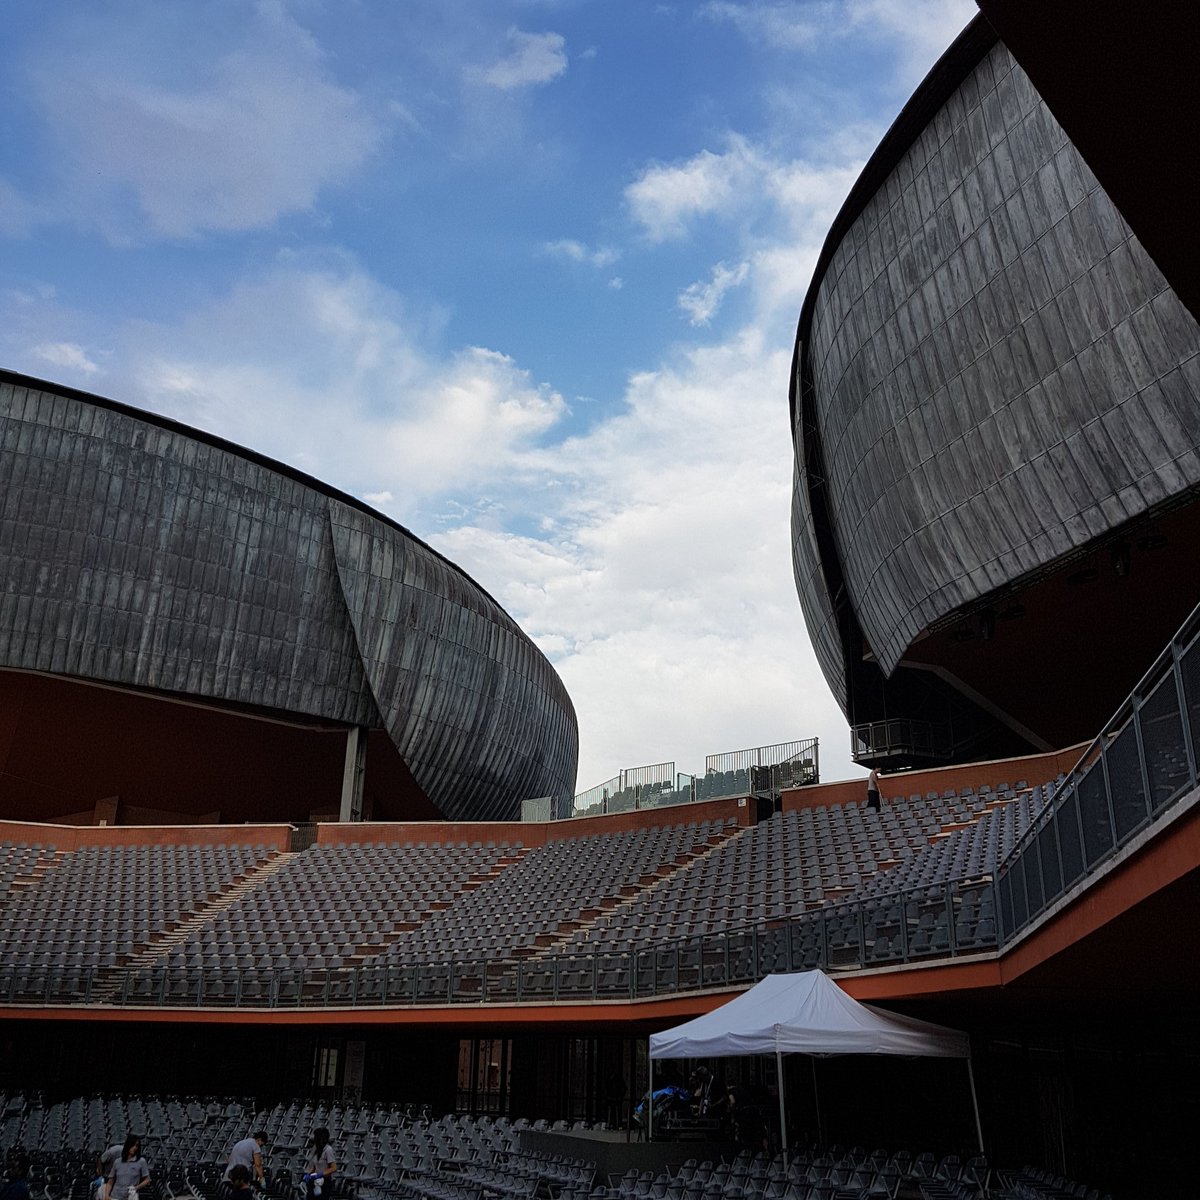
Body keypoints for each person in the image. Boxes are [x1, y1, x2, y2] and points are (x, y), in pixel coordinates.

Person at [105, 1135, 149, 1200]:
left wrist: (136, 1188)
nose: (134, 1148)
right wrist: (106, 1195)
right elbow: (110, 1181)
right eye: (133, 1145)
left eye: (137, 1146)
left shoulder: (141, 1161)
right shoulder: (117, 1162)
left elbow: (147, 1180)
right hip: (115, 1196)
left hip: (130, 1196)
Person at [301, 1128, 335, 1200]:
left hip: (324, 1181)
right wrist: (307, 1175)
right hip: (314, 1180)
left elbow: (333, 1167)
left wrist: (321, 1174)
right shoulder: (316, 1149)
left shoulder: (328, 1150)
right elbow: (314, 1165)